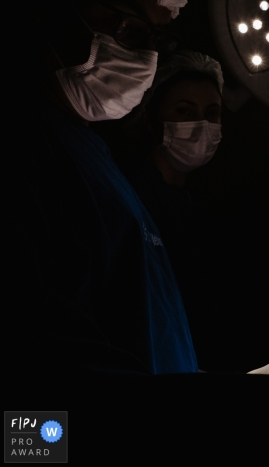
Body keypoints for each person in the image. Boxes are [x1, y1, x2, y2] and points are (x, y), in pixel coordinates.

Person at [6, 0, 197, 375]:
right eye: (132, 30)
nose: (147, 57)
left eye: (157, 39)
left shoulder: (95, 154)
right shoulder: (22, 137)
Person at [120, 50, 228, 370]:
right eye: (184, 110)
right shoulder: (129, 194)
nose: (201, 125)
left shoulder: (197, 211)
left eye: (212, 113)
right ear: (149, 119)